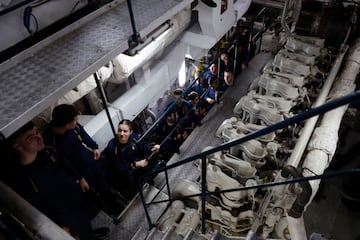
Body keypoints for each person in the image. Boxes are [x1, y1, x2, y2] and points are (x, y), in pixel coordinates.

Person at [1, 121, 109, 240]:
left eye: (38, 132)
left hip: (75, 197)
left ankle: (90, 234)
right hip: (64, 213)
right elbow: (35, 207)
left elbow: (64, 163)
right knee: (80, 230)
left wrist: (80, 178)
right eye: (31, 138)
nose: (39, 138)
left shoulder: (47, 152)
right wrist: (57, 225)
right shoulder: (21, 179)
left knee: (85, 221)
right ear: (18, 146)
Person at [42, 104, 123, 218]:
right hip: (78, 173)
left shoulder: (73, 127)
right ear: (66, 124)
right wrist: (79, 178)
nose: (76, 121)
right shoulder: (50, 141)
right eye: (75, 120)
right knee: (90, 193)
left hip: (89, 160)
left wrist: (94, 147)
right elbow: (62, 163)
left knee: (103, 184)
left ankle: (113, 203)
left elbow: (83, 134)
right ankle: (103, 210)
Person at [105, 119, 161, 193]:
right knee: (136, 190)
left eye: (125, 131)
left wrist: (153, 148)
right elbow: (118, 168)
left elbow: (143, 147)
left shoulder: (133, 137)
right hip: (127, 174)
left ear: (130, 132)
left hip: (140, 167)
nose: (121, 134)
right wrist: (134, 164)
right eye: (119, 130)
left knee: (150, 175)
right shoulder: (112, 146)